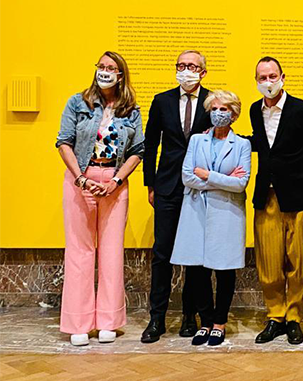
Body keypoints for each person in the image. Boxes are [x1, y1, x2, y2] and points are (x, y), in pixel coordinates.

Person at [56, 51, 144, 346]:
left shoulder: (131, 110)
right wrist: (81, 179)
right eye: (101, 66)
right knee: (79, 251)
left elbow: (138, 151)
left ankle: (109, 320)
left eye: (111, 68)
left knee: (111, 251)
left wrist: (117, 181)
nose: (104, 71)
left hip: (114, 183)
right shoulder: (77, 102)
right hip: (81, 178)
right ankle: (78, 322)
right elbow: (64, 142)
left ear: (121, 75)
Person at [141, 50, 213, 343]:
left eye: (192, 66)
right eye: (182, 65)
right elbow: (150, 143)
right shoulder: (162, 101)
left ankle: (189, 316)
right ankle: (156, 318)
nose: (186, 70)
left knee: (195, 255)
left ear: (203, 72)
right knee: (162, 254)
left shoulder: (212, 100)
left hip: (198, 186)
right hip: (167, 185)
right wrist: (150, 184)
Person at [170, 90, 251, 347]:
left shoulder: (242, 145)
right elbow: (187, 176)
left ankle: (219, 323)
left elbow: (240, 183)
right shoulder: (197, 140)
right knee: (197, 270)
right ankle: (205, 321)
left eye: (224, 109)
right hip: (197, 210)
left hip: (227, 213)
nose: (218, 113)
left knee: (225, 270)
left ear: (234, 114)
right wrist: (221, 180)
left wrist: (207, 175)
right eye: (214, 109)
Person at [249, 56, 303, 345]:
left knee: (298, 261)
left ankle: (294, 317)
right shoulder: (254, 110)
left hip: (299, 195)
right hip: (266, 194)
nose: (268, 82)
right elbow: (262, 144)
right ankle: (275, 315)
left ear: (283, 77)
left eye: (272, 76)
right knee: (268, 261)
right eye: (262, 77)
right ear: (256, 81)